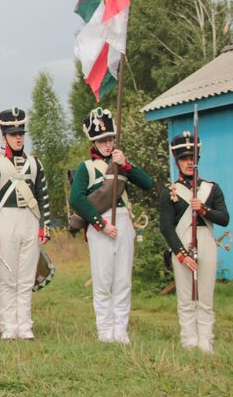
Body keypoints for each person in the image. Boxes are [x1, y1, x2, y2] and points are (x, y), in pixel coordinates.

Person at [69, 108, 152, 344]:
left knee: (123, 280)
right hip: (101, 225)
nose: (107, 144)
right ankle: (105, 332)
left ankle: (120, 331)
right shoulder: (87, 167)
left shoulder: (120, 163)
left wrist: (125, 165)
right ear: (94, 143)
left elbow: (147, 183)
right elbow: (77, 199)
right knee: (103, 280)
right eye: (102, 140)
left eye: (110, 139)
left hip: (124, 221)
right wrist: (100, 224)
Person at [0, 108, 50, 341]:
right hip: (5, 220)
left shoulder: (35, 163)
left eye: (21, 133)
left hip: (30, 220)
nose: (18, 137)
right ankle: (9, 325)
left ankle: (25, 325)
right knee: (8, 276)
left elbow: (43, 197)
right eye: (13, 134)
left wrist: (44, 226)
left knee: (27, 277)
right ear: (4, 136)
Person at [160, 131, 229, 354]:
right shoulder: (169, 191)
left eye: (192, 157)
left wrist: (204, 209)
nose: (189, 162)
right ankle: (189, 342)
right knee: (186, 298)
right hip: (181, 245)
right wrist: (181, 254)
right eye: (184, 158)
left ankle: (206, 342)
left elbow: (224, 218)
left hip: (206, 242)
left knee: (205, 297)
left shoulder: (211, 189)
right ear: (177, 161)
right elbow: (166, 227)